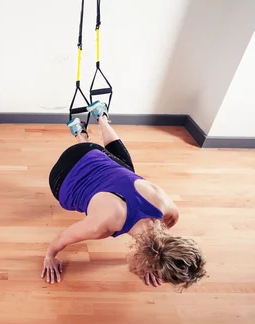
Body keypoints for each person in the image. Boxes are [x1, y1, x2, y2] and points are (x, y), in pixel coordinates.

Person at [43, 101, 206, 289]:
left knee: (126, 170)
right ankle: (83, 131)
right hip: (60, 180)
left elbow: (155, 234)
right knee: (122, 171)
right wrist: (49, 257)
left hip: (88, 153)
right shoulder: (102, 227)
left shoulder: (167, 208)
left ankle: (96, 122)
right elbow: (62, 237)